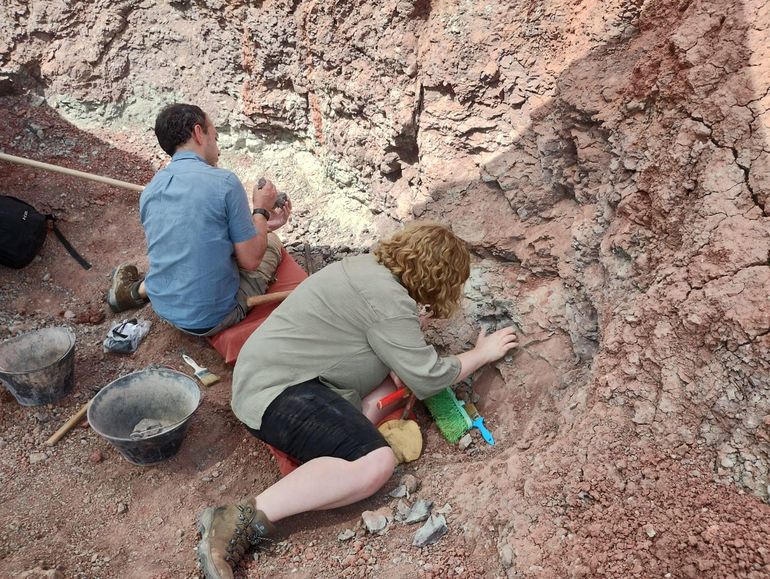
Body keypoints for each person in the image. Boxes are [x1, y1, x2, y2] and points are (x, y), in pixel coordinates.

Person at [196, 222, 518, 578]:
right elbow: (429, 377)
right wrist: (481, 353)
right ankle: (238, 519)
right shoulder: (390, 302)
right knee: (376, 462)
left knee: (386, 389)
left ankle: (326, 458)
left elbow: (390, 351)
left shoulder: (367, 269)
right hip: (276, 393)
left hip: (272, 373)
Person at [107, 103, 292, 336]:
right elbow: (251, 260)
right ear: (198, 133)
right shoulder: (224, 182)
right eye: (214, 136)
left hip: (164, 308)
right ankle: (135, 292)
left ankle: (133, 292)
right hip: (211, 318)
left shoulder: (151, 189)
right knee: (271, 244)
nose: (217, 146)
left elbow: (194, 240)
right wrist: (261, 211)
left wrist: (262, 225)